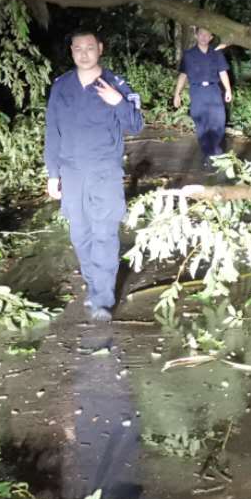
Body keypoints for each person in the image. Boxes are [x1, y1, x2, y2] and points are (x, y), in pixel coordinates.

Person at [45, 30, 144, 322]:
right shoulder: (61, 86)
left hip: (105, 171)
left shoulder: (116, 84)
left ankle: (102, 298)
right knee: (80, 234)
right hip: (71, 172)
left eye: (90, 47)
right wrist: (53, 174)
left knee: (104, 233)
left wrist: (118, 102)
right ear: (71, 51)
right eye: (78, 48)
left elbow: (136, 125)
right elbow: (52, 130)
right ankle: (94, 284)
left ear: (100, 48)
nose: (84, 53)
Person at [172, 26, 233, 165]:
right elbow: (183, 75)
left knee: (219, 121)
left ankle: (214, 152)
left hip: (214, 91)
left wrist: (228, 90)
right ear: (196, 35)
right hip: (197, 92)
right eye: (201, 34)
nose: (204, 37)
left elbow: (223, 72)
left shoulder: (216, 54)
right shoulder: (189, 55)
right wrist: (177, 94)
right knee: (202, 125)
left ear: (211, 38)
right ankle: (210, 154)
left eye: (207, 35)